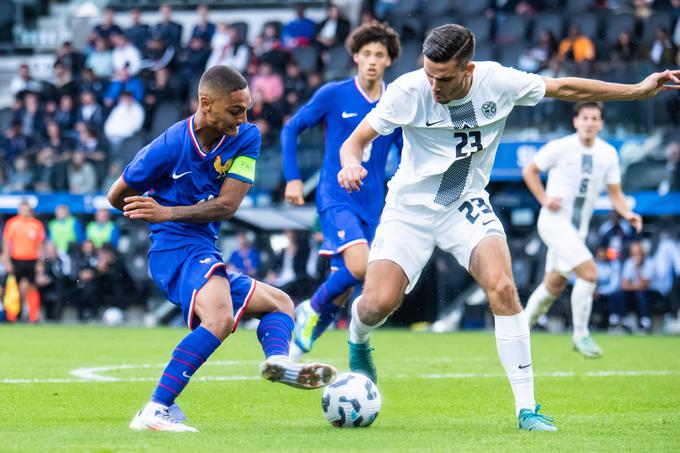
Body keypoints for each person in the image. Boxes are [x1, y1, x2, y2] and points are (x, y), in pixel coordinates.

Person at [336, 24, 679, 431]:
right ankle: (358, 339)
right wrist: (351, 163)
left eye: (443, 78)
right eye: (429, 74)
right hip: (408, 209)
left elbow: (566, 88)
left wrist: (637, 91)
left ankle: (527, 408)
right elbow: (354, 141)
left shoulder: (499, 82)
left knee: (502, 286)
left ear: (469, 69)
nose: (433, 87)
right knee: (377, 305)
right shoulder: (407, 91)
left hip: (464, 202)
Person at [107, 65, 336, 432]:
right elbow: (115, 195)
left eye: (246, 108)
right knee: (221, 319)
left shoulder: (246, 138)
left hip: (202, 244)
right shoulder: (167, 147)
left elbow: (228, 206)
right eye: (235, 110)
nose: (244, 118)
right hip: (173, 248)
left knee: (280, 303)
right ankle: (154, 409)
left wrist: (166, 210)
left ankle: (279, 362)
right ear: (206, 104)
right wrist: (148, 213)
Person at [281, 22, 402, 359]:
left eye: (380, 54)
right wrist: (292, 177)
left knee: (344, 289)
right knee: (361, 267)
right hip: (336, 196)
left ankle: (293, 353)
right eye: (367, 54)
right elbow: (292, 128)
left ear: (389, 60)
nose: (373, 61)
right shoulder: (334, 95)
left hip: (374, 204)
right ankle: (309, 307)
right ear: (355, 57)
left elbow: (406, 151)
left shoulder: (396, 101)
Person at [522, 102, 643, 358]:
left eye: (595, 118)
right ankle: (580, 334)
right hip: (554, 223)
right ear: (575, 121)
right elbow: (530, 170)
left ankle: (519, 330)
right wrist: (544, 199)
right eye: (585, 117)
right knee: (589, 272)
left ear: (601, 123)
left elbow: (615, 194)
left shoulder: (608, 153)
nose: (589, 122)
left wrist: (628, 213)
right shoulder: (560, 147)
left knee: (553, 285)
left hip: (578, 230)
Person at [1, 201, 46, 323]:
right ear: (19, 211)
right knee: (13, 288)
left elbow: (41, 245)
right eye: (23, 210)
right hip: (16, 259)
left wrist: (40, 262)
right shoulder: (12, 224)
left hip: (32, 259)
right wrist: (7, 261)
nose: (25, 212)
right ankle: (12, 316)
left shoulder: (36, 225)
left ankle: (33, 317)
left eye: (27, 210)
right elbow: (6, 243)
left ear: (30, 211)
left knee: (32, 288)